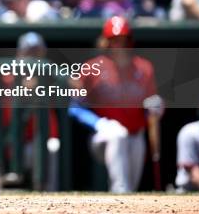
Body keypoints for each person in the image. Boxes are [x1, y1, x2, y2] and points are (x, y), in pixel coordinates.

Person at [69, 16, 163, 192]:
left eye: (123, 41)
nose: (119, 46)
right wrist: (99, 123)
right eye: (114, 41)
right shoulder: (93, 68)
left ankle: (124, 203)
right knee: (117, 134)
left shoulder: (144, 68)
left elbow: (152, 109)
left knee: (132, 187)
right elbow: (74, 107)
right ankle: (119, 191)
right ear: (106, 42)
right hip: (103, 136)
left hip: (135, 135)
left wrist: (156, 107)